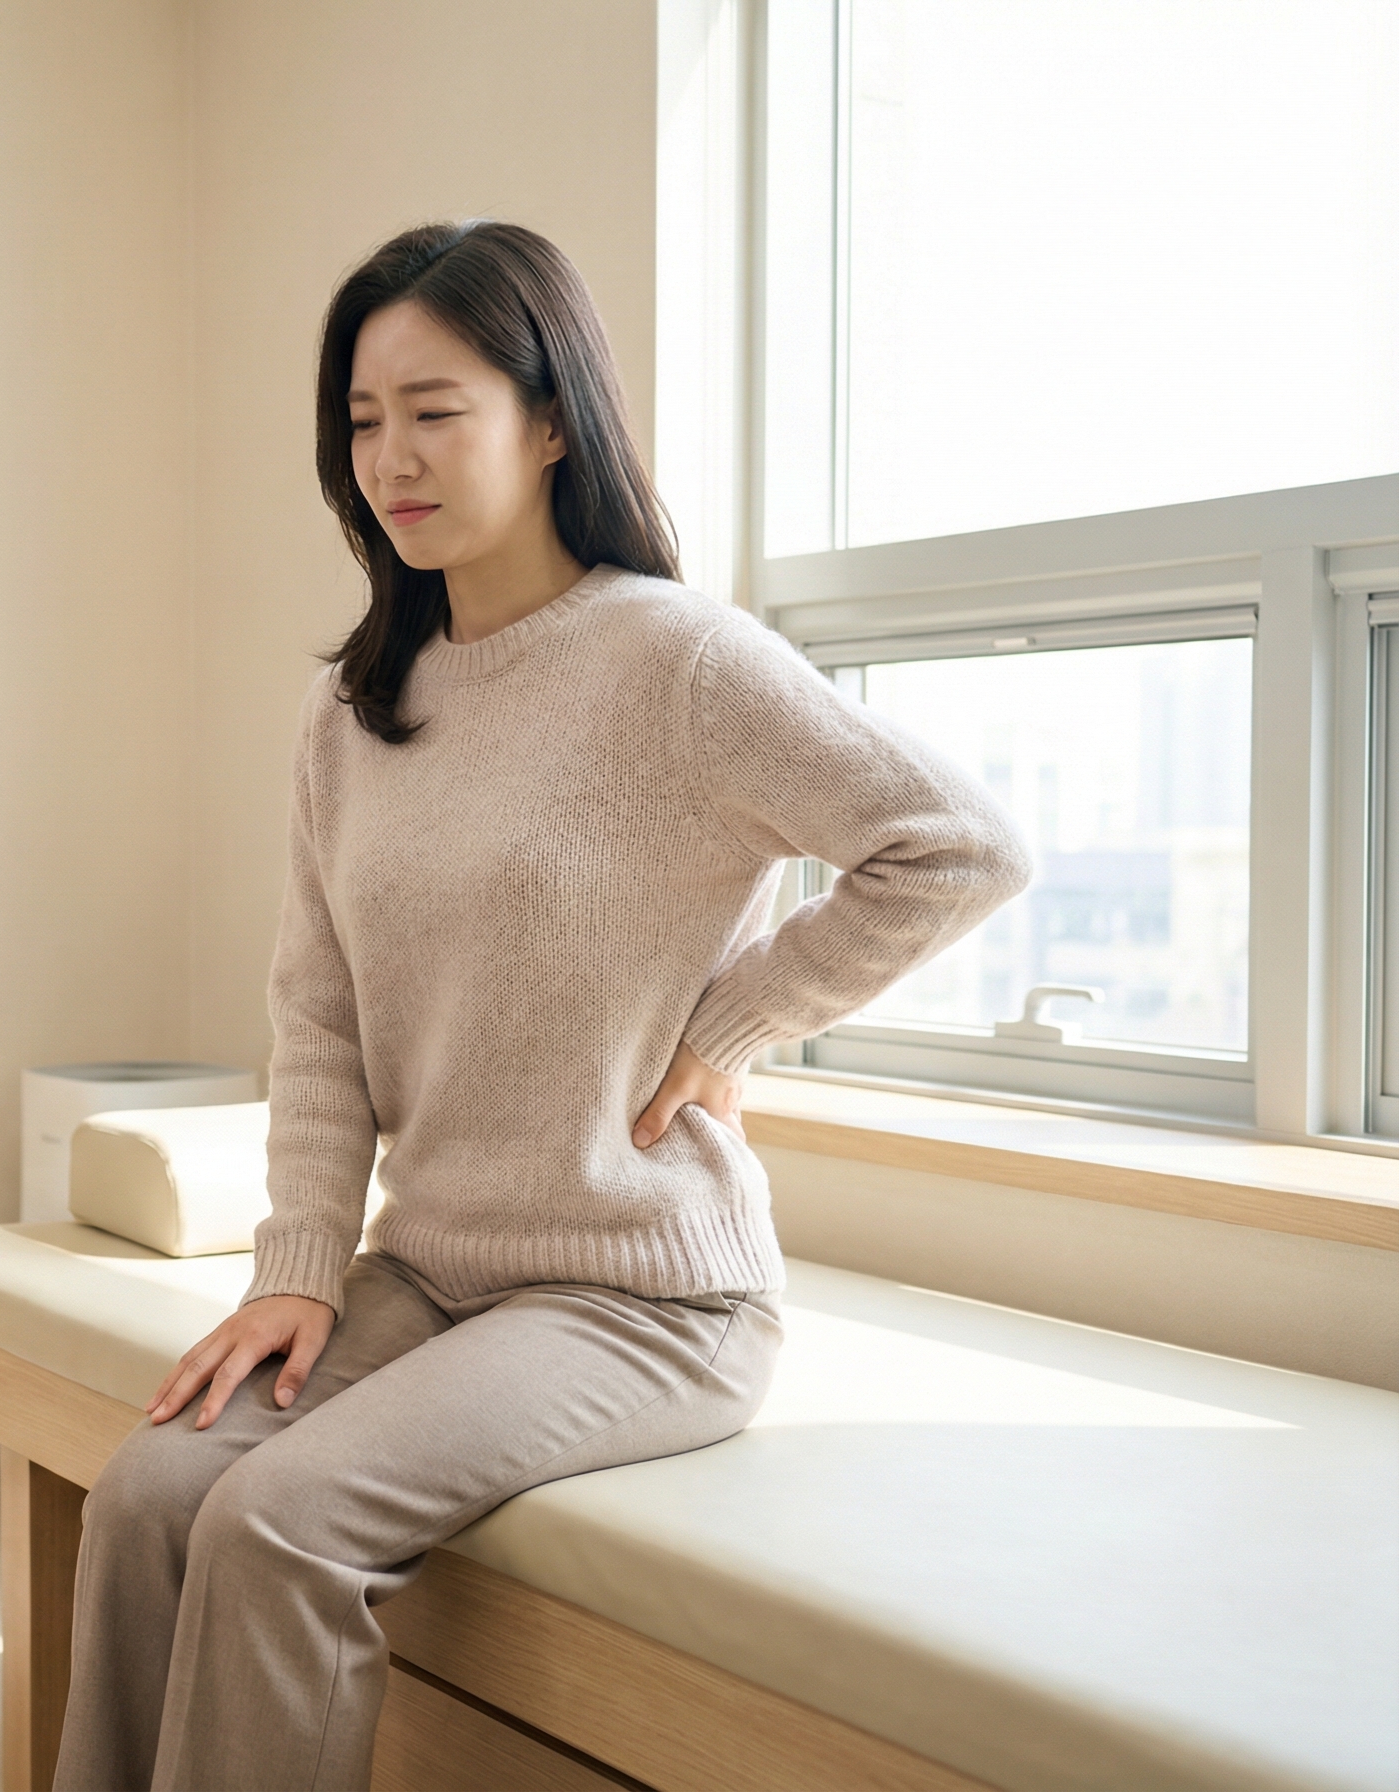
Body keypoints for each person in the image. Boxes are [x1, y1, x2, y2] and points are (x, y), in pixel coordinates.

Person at [52, 220, 1030, 1792]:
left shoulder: (680, 663)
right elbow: (317, 1020)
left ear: (552, 416)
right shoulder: (355, 709)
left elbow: (958, 848)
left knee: (281, 1520)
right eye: (363, 422)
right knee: (153, 1489)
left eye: (435, 410)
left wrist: (732, 1024)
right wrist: (298, 1265)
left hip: (644, 1298)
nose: (392, 459)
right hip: (431, 1270)